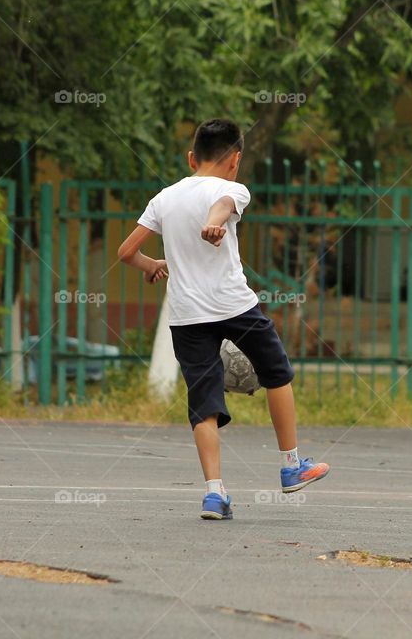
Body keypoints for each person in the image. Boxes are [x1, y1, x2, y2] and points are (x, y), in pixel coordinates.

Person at [117, 118, 330, 519]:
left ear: (191, 157)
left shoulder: (163, 198)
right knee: (277, 373)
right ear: (235, 160)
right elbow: (221, 207)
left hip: (186, 316)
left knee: (204, 403)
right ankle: (291, 466)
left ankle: (214, 493)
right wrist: (213, 223)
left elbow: (126, 252)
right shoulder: (233, 188)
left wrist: (154, 263)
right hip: (234, 306)